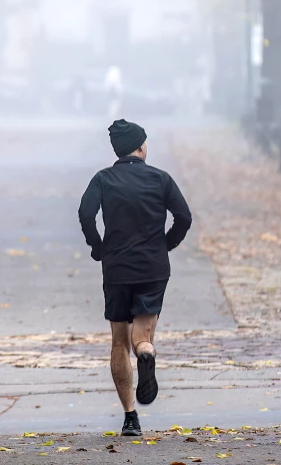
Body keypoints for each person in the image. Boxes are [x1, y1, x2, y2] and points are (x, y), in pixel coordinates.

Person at [78, 119, 193, 437]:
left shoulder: (103, 179)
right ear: (141, 147)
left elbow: (86, 214)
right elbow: (184, 217)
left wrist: (98, 247)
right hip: (152, 269)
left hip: (117, 269)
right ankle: (146, 354)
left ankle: (130, 418)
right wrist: (165, 245)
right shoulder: (161, 179)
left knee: (118, 340)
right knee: (142, 337)